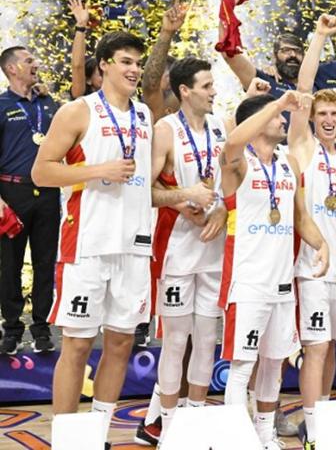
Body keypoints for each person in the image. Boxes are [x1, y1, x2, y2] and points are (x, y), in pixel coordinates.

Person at [32, 31, 153, 444]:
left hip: (134, 246)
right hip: (87, 244)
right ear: (103, 64)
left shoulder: (145, 116)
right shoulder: (76, 111)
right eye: (125, 61)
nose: (134, 69)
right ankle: (68, 439)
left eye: (137, 62)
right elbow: (42, 171)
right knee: (78, 345)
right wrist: (95, 170)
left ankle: (96, 433)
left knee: (120, 344)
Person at [218, 91, 329, 450]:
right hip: (247, 282)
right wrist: (277, 103)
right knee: (241, 367)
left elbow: (299, 217)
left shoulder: (289, 164)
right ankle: (237, 441)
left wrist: (321, 244)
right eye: (277, 117)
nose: (283, 121)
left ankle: (265, 436)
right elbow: (233, 140)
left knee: (272, 364)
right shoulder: (238, 162)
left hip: (282, 285)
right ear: (259, 119)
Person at [141, 57, 229, 445]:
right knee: (176, 340)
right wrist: (183, 199)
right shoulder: (165, 130)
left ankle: (194, 423)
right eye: (207, 86)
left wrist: (224, 209)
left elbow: (231, 182)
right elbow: (145, 190)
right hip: (175, 245)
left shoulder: (220, 126)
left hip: (213, 246)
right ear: (185, 91)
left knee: (207, 338)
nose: (214, 92)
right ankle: (168, 427)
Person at [287, 14, 336, 450]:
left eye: (334, 113)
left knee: (330, 348)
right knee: (315, 346)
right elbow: (305, 90)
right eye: (322, 114)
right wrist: (320, 37)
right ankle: (313, 427)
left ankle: (322, 414)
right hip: (311, 265)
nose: (328, 119)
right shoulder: (303, 144)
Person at [0, 47, 60, 354]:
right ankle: (11, 328)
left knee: (45, 262)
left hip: (48, 192)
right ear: (12, 69)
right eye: (28, 60)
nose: (35, 64)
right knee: (9, 264)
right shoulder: (1, 105)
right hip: (11, 194)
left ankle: (41, 328)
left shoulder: (49, 104)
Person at [217, 0, 304, 97]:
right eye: (286, 50)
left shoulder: (318, 81)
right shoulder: (263, 82)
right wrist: (226, 9)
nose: (293, 55)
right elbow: (229, 53)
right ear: (275, 55)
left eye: (297, 51)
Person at [67, 0, 103, 99]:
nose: (106, 78)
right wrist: (81, 25)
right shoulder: (82, 96)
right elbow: (77, 66)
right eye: (100, 74)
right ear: (88, 80)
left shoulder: (118, 97)